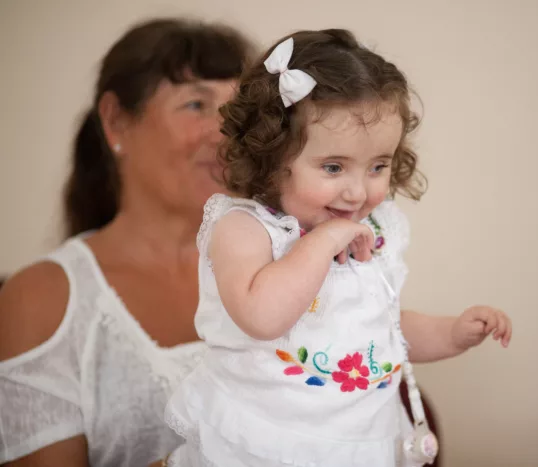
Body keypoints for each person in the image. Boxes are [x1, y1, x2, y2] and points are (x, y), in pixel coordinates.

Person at [164, 29, 513, 467]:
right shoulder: (247, 230)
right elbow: (262, 317)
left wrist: (451, 333)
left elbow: (381, 327)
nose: (355, 192)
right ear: (273, 158)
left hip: (357, 445)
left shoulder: (376, 231)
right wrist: (324, 242)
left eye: (378, 166)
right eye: (333, 167)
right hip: (266, 446)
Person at [0, 18, 254, 466]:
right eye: (196, 104)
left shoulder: (289, 264)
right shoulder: (42, 299)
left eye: (237, 112)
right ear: (116, 121)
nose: (225, 133)